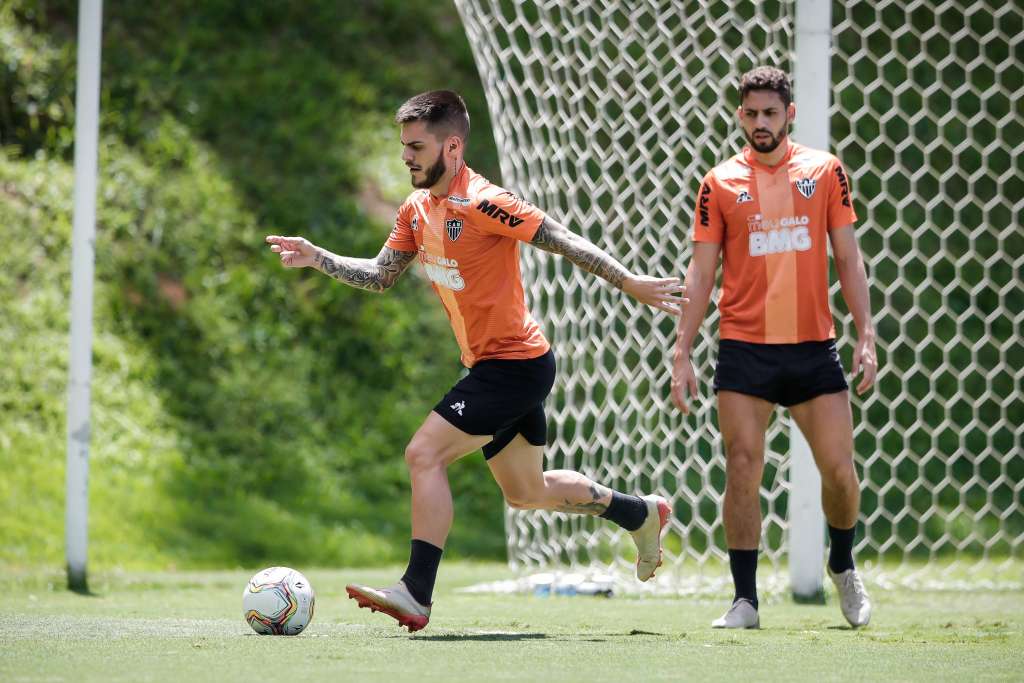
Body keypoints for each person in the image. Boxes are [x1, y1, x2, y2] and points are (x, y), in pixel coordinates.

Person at [267, 90, 684, 632]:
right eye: (403, 147)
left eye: (417, 146)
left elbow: (559, 238)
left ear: (453, 146)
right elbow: (379, 275)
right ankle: (640, 513)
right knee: (525, 493)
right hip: (499, 368)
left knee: (424, 454)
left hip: (514, 367)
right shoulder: (416, 209)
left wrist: (628, 281)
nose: (406, 157)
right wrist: (316, 256)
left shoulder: (484, 201)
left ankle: (416, 592)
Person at [671, 67, 877, 629]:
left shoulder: (825, 172)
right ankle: (745, 601)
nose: (760, 123)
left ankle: (843, 564)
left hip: (813, 348)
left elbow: (848, 257)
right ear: (740, 116)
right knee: (742, 467)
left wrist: (866, 335)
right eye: (751, 113)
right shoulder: (718, 183)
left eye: (770, 113)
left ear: (789, 114)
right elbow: (702, 269)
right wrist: (682, 351)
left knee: (839, 471)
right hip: (745, 350)